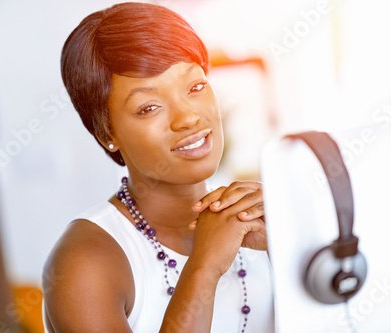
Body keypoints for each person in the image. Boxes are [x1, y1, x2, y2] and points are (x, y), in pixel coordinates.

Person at [42, 2, 274, 332]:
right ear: (107, 133)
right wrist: (204, 268)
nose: (188, 118)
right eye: (149, 107)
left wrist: (292, 248)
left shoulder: (257, 219)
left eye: (195, 87)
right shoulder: (85, 262)